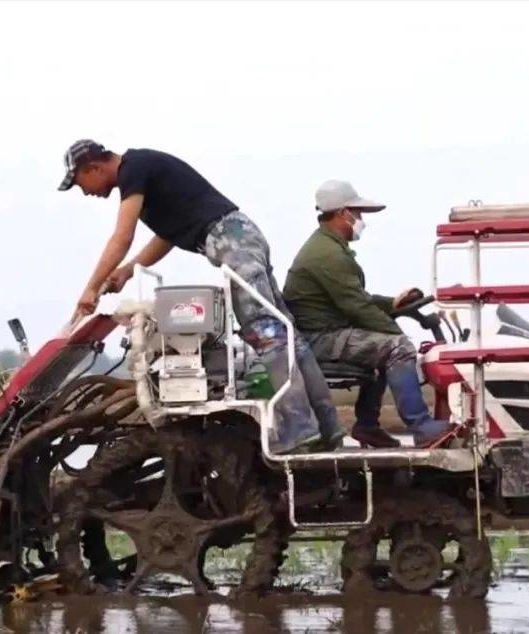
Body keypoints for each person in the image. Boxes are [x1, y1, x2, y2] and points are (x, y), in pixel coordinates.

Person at [58, 139, 345, 453]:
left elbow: (121, 237)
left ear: (93, 167)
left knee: (265, 333)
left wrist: (90, 287)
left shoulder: (133, 169)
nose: (85, 192)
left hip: (231, 242)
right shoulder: (146, 173)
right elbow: (169, 234)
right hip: (241, 237)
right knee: (287, 335)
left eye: (80, 183)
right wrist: (127, 271)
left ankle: (300, 428)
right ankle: (328, 427)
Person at [281, 179, 453, 448]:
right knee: (397, 348)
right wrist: (397, 334)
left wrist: (394, 303)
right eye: (357, 213)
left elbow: (356, 299)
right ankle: (421, 426)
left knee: (383, 345)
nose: (361, 220)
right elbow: (356, 307)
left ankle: (368, 426)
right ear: (342, 214)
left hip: (326, 332)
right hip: (319, 338)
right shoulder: (328, 255)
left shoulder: (328, 248)